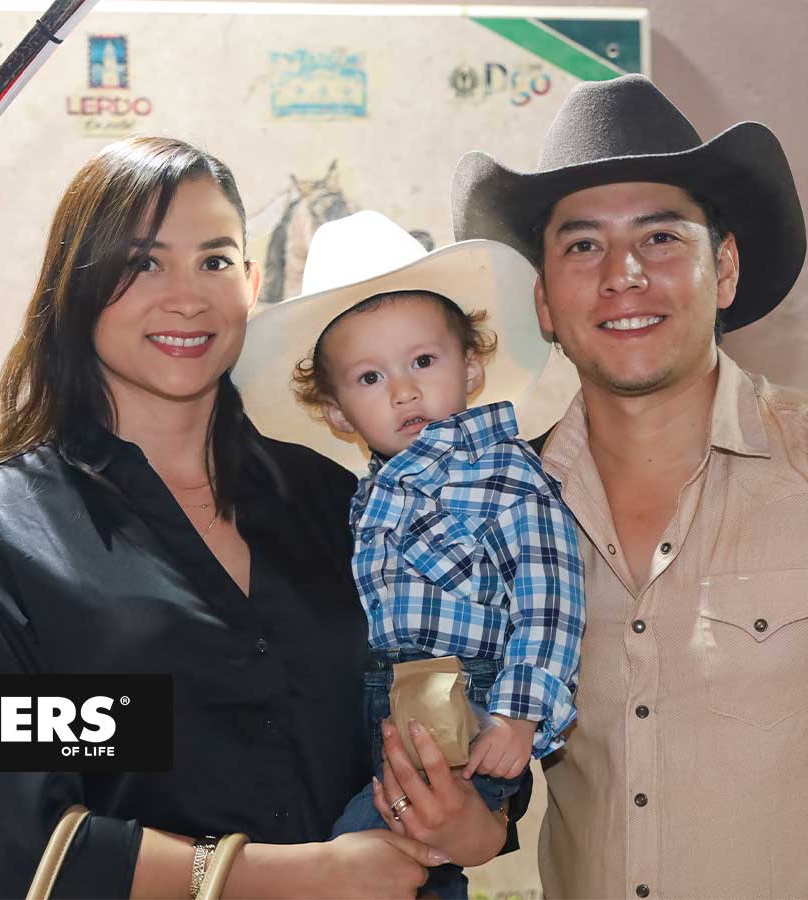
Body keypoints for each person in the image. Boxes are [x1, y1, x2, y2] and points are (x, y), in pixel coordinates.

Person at [452, 74, 808, 899]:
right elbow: (483, 786)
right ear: (545, 301)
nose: (623, 274)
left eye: (661, 237)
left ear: (722, 270)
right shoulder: (507, 512)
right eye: (582, 246)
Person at [0, 136, 516, 900]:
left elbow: (458, 698)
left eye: (215, 260)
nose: (187, 297)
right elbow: (28, 849)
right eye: (144, 263)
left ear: (252, 284)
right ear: (80, 284)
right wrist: (307, 878)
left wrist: (478, 826)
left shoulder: (341, 501)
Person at [240, 211, 584, 898]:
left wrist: (520, 713)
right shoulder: (363, 497)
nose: (403, 390)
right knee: (414, 866)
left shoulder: (504, 474)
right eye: (369, 378)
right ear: (337, 412)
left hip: (467, 699)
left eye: (423, 362)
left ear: (471, 366)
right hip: (389, 699)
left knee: (364, 850)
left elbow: (550, 600)